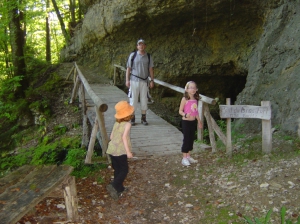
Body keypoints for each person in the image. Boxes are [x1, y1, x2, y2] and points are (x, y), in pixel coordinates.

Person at [106, 101, 134, 200]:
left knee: (117, 169)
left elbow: (111, 136)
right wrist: (128, 152)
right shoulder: (127, 124)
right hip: (120, 151)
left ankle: (120, 188)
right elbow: (124, 138)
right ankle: (114, 185)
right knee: (124, 170)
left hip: (112, 149)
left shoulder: (116, 123)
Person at [126, 39, 154, 125]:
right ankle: (132, 117)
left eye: (143, 45)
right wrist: (127, 80)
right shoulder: (133, 55)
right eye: (139, 45)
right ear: (137, 46)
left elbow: (151, 69)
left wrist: (152, 80)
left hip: (144, 81)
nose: (141, 46)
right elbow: (128, 68)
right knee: (133, 99)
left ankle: (143, 118)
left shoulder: (148, 56)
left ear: (145, 46)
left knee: (144, 99)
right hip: (134, 80)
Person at [178, 81, 203, 166]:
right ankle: (184, 158)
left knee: (191, 139)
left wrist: (199, 121)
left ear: (196, 89)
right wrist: (185, 114)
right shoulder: (184, 99)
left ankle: (188, 156)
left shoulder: (195, 99)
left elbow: (196, 112)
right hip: (186, 122)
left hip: (193, 122)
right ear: (187, 89)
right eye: (190, 87)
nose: (192, 89)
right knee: (186, 139)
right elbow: (180, 111)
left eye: (194, 87)